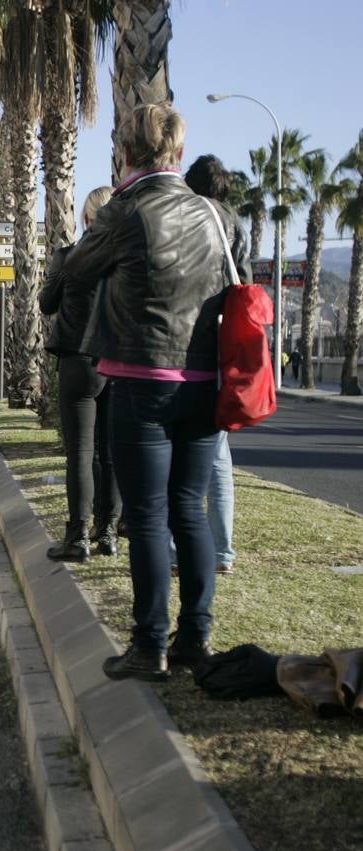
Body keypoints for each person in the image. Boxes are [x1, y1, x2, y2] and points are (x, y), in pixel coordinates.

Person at [65, 103, 250, 681]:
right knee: (189, 512)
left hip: (142, 380)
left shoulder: (124, 211)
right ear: (176, 151)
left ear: (125, 152)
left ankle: (149, 645)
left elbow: (76, 269)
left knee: (146, 516)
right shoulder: (215, 215)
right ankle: (195, 637)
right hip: (203, 382)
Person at [39, 185, 122, 562]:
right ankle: (108, 532)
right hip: (119, 363)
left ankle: (78, 537)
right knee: (109, 453)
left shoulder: (68, 258)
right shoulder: (126, 261)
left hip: (78, 361)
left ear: (87, 218)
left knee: (80, 453)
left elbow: (46, 303)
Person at [182, 153, 241, 576]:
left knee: (184, 459)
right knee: (220, 460)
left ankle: (173, 551)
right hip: (228, 347)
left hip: (193, 343)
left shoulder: (192, 218)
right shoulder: (237, 222)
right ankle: (223, 552)